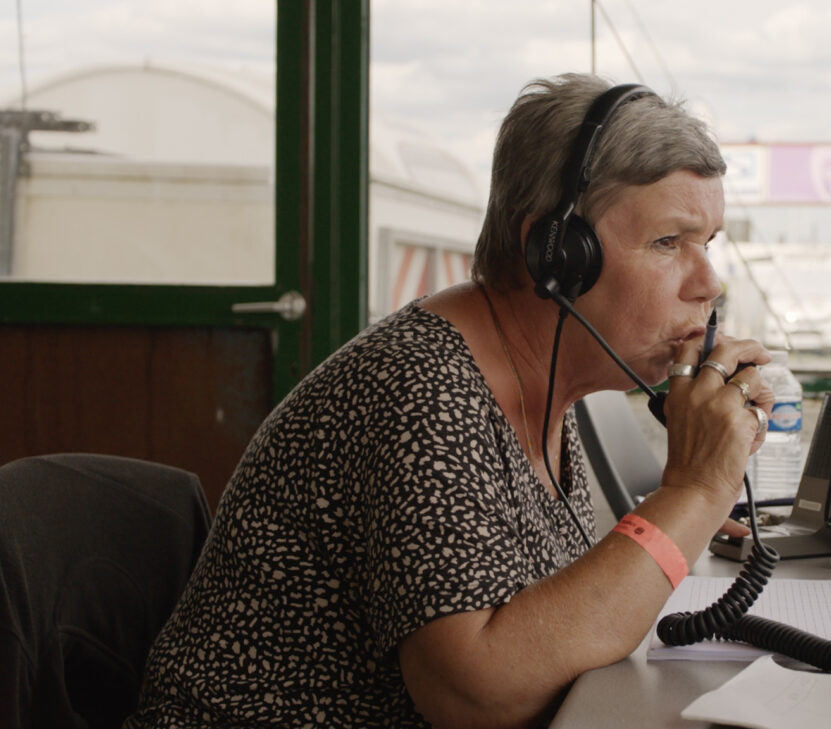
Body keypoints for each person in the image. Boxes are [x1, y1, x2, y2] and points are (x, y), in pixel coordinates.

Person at [125, 73, 774, 728]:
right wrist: (693, 492)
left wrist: (694, 499)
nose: (708, 283)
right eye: (667, 242)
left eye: (707, 244)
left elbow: (545, 626)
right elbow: (477, 696)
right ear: (557, 257)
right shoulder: (423, 388)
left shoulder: (542, 382)